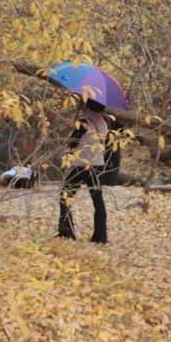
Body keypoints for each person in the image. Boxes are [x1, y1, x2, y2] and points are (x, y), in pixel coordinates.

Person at [57, 99, 108, 243]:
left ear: (87, 105)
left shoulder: (84, 122)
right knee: (98, 201)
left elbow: (72, 143)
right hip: (98, 165)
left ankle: (66, 232)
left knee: (65, 196)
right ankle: (101, 237)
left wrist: (72, 127)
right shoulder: (103, 123)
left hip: (81, 166)